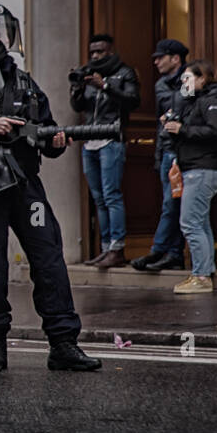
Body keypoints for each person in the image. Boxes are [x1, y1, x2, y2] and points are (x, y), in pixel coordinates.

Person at [0, 3, 101, 371]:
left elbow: (45, 128)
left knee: (49, 257)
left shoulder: (24, 82)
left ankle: (63, 342)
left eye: (3, 30)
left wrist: (53, 142)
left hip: (24, 182)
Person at [164, 60, 217, 294]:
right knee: (200, 222)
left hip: (202, 169)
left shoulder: (213, 100)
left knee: (190, 223)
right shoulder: (196, 102)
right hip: (195, 168)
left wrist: (182, 129)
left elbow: (215, 132)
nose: (183, 83)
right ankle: (203, 271)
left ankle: (201, 276)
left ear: (202, 79)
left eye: (188, 78)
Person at [69, 33, 141, 268]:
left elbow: (133, 100)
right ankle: (105, 248)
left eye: (100, 51)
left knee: (111, 195)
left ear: (111, 51)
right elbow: (78, 107)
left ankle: (117, 249)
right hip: (89, 140)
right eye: (92, 52)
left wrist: (106, 85)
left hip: (112, 139)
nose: (95, 56)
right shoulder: (87, 73)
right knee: (99, 199)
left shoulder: (125, 72)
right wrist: (78, 89)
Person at [133, 39, 189, 272]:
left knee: (172, 204)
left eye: (160, 57)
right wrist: (158, 155)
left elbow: (189, 112)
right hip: (167, 151)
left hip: (186, 151)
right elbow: (160, 123)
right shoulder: (160, 85)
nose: (155, 61)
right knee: (171, 204)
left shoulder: (190, 80)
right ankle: (173, 254)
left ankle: (159, 250)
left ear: (175, 58)